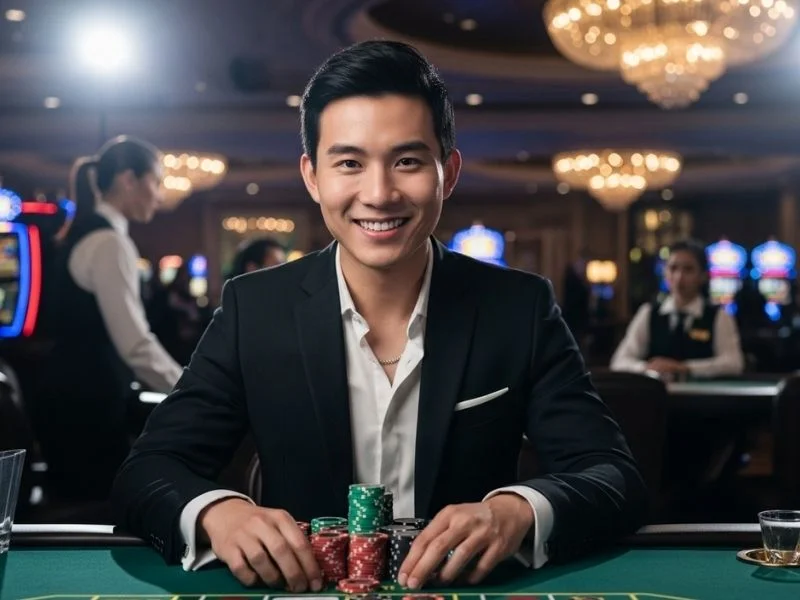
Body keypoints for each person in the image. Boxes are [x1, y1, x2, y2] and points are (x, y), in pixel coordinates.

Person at [112, 41, 646, 590]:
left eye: (408, 162)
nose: (379, 193)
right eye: (349, 163)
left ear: (449, 173)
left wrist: (517, 511)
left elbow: (612, 477)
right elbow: (147, 474)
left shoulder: (519, 307)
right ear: (312, 176)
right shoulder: (255, 308)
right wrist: (215, 513)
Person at [35, 136, 183, 501]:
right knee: (99, 519)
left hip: (69, 399)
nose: (160, 195)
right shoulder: (109, 242)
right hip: (87, 407)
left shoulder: (86, 232)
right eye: (156, 181)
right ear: (128, 179)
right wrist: (188, 390)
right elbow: (134, 343)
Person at [610, 239, 745, 378]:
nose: (679, 277)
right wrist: (648, 368)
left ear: (703, 276)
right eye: (673, 268)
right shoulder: (649, 313)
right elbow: (620, 361)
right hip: (657, 397)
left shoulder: (719, 316)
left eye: (688, 269)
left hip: (702, 397)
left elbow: (733, 363)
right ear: (665, 273)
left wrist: (685, 368)